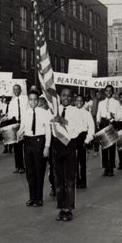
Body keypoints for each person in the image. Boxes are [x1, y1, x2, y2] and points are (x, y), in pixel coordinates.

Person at [51, 88, 83, 221]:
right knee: (58, 180)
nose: (66, 98)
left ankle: (68, 209)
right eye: (63, 95)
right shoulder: (54, 110)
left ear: (72, 98)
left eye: (69, 96)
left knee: (69, 180)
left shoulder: (76, 111)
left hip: (69, 146)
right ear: (59, 97)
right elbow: (50, 125)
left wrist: (63, 121)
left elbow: (78, 129)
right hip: (57, 146)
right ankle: (61, 208)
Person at [18, 90, 51, 208]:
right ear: (28, 100)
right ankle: (32, 197)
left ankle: (39, 198)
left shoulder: (44, 113)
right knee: (30, 172)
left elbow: (48, 130)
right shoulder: (25, 112)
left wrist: (47, 146)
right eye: (30, 99)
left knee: (39, 170)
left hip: (39, 142)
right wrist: (19, 132)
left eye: (35, 100)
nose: (33, 102)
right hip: (28, 142)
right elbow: (23, 126)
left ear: (38, 100)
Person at [96, 85, 119, 176]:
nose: (108, 92)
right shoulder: (101, 103)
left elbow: (118, 113)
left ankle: (111, 168)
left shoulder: (116, 103)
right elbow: (99, 113)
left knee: (112, 146)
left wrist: (114, 118)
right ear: (104, 92)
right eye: (107, 90)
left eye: (110, 91)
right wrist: (98, 121)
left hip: (112, 123)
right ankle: (105, 167)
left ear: (112, 92)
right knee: (104, 146)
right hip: (103, 123)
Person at [74, 94, 95, 187]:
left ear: (83, 102)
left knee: (82, 161)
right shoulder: (71, 112)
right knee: (74, 160)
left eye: (81, 101)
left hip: (82, 137)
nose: (79, 102)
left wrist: (87, 140)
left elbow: (91, 127)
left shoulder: (87, 113)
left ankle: (83, 182)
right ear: (74, 102)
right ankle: (76, 180)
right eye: (77, 101)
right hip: (73, 137)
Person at [8, 84, 28, 173]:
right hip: (15, 124)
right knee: (16, 146)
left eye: (18, 89)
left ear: (20, 90)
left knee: (26, 146)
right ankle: (18, 166)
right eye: (14, 89)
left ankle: (25, 166)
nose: (16, 91)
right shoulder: (12, 102)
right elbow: (10, 114)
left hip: (24, 124)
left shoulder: (25, 99)